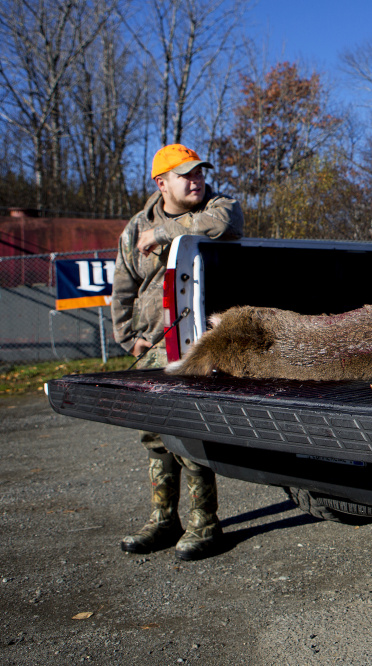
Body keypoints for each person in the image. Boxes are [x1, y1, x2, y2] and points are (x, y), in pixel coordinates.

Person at [111, 144, 244, 561]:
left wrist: (166, 233)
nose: (196, 180)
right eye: (185, 174)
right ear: (161, 183)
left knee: (187, 429)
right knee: (153, 433)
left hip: (199, 342)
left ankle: (204, 523)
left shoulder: (219, 207)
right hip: (153, 344)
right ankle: (162, 520)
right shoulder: (136, 227)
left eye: (199, 172)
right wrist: (128, 337)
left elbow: (226, 223)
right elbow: (123, 288)